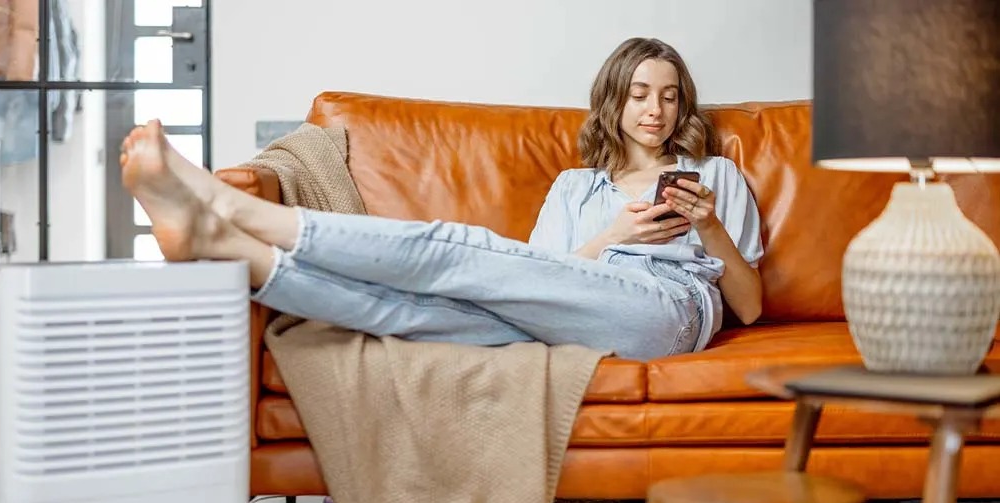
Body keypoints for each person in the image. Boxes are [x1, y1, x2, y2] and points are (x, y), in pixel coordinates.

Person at [118, 37, 763, 362]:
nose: (656, 108)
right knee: (407, 312)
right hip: (557, 313)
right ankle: (222, 244)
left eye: (670, 94)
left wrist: (709, 230)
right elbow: (536, 272)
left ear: (684, 103)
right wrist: (612, 237)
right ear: (615, 100)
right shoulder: (575, 186)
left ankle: (233, 208)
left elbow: (751, 307)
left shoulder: (715, 176)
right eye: (641, 93)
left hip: (664, 314)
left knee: (464, 250)